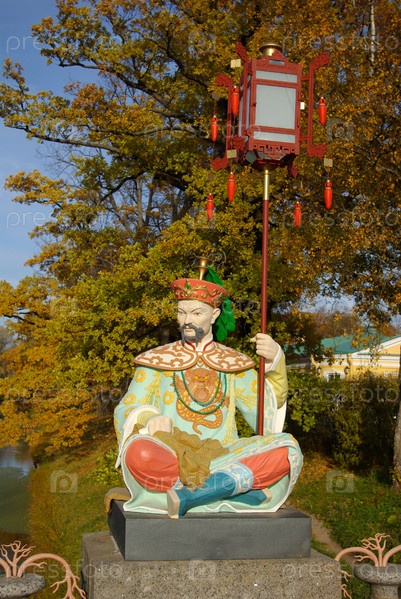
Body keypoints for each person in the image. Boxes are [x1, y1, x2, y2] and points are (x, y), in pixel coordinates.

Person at [114, 262, 303, 518]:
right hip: (174, 454)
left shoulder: (234, 364)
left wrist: (275, 361)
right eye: (181, 312)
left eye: (196, 313)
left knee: (286, 449)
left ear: (214, 315)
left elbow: (266, 413)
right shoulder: (156, 362)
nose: (187, 320)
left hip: (224, 456)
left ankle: (190, 496)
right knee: (141, 453)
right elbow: (127, 408)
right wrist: (148, 418)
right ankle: (229, 489)